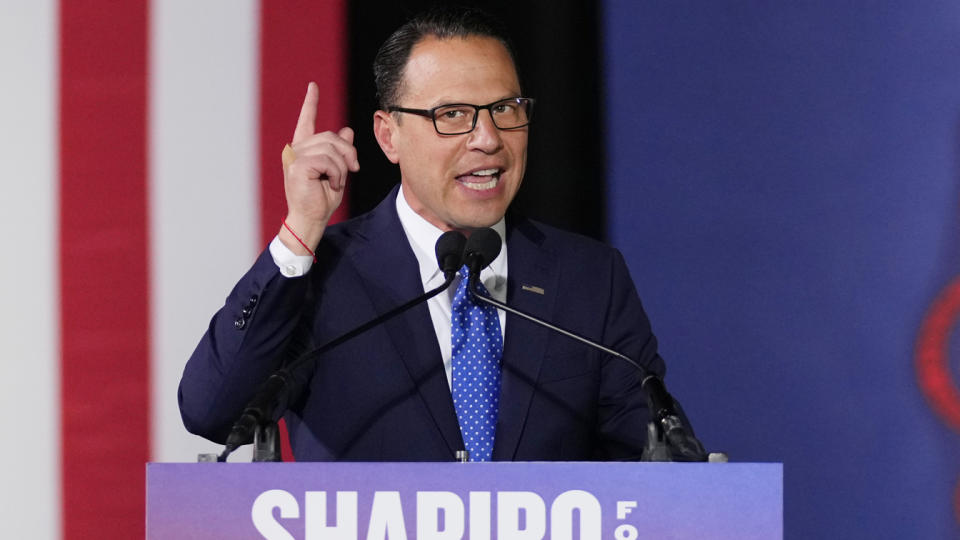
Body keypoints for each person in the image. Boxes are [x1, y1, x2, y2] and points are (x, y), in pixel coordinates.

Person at [179, 7, 668, 461]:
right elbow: (213, 411)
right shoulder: (323, 275)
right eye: (452, 114)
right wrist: (300, 232)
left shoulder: (588, 277)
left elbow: (659, 460)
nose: (488, 138)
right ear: (389, 135)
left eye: (506, 108)